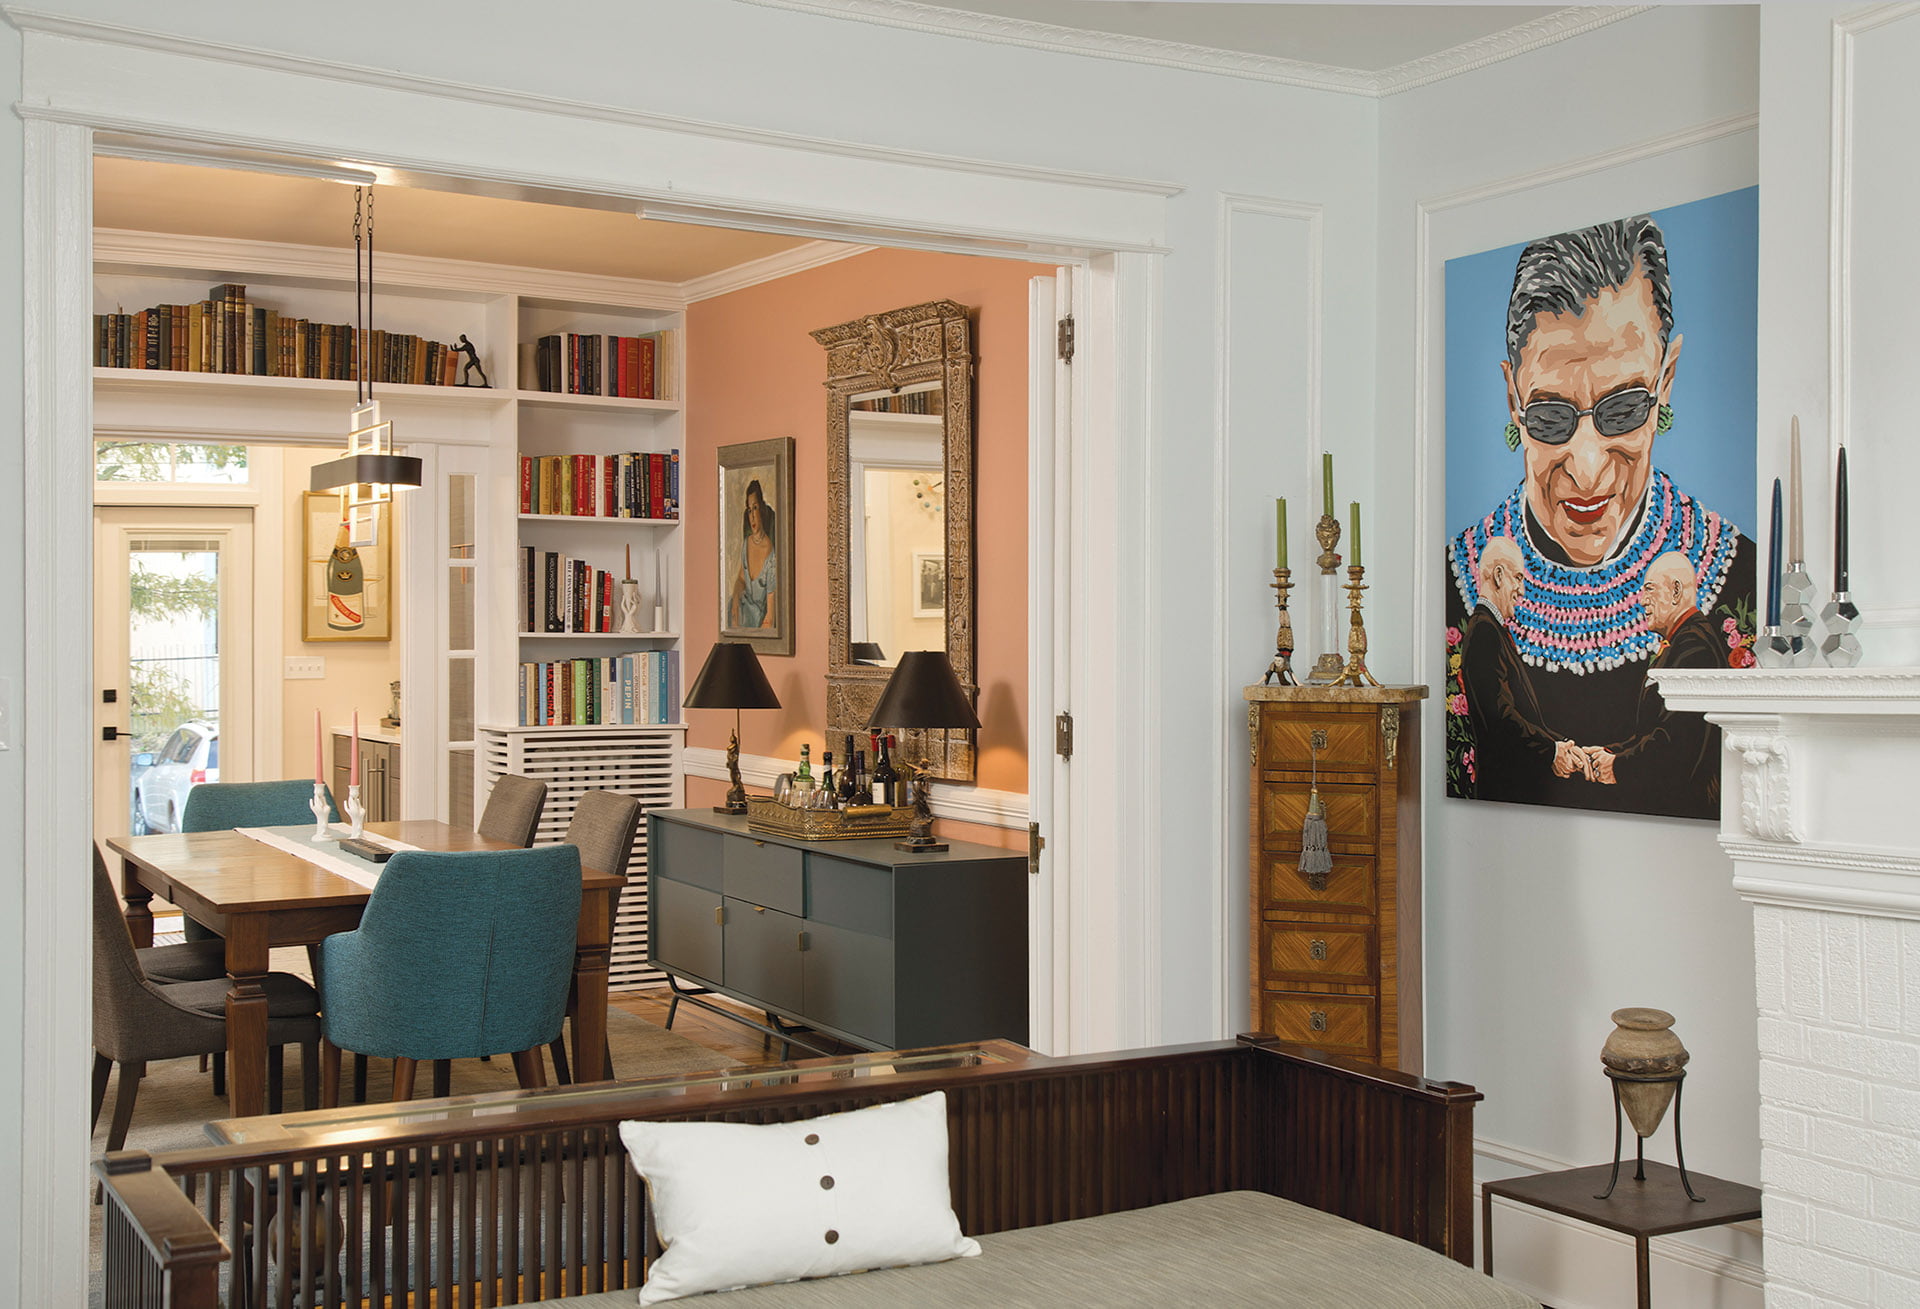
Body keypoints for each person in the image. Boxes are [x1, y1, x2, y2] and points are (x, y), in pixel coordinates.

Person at [1445, 213, 1754, 817]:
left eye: (1623, 409)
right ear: (1512, 398)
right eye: (1550, 418)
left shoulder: (1744, 578)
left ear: (1667, 379)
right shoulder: (1449, 587)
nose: (1586, 470)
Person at [1581, 551, 1726, 814]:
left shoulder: (1694, 648)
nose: (1642, 600)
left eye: (1649, 589)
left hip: (1686, 808)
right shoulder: (1682, 641)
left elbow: (1676, 740)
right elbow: (1651, 731)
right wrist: (1610, 752)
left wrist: (1618, 765)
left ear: (1676, 591)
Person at [1459, 536, 1584, 804]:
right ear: (1498, 576)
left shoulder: (1491, 629)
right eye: (1518, 578)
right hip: (1504, 791)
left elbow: (1523, 714)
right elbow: (1500, 719)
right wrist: (1553, 751)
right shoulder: (1485, 633)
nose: (1522, 590)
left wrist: (1561, 745)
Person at [727, 479, 777, 631]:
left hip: (757, 622)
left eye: (755, 508)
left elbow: (770, 616)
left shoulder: (771, 554)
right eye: (749, 510)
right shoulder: (746, 543)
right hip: (740, 612)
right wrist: (735, 605)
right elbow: (741, 579)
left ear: (762, 509)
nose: (752, 516)